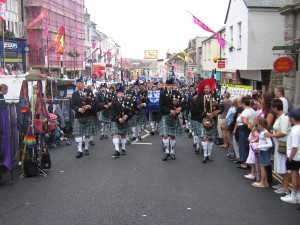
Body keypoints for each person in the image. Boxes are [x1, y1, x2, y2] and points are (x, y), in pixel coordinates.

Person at [71, 79, 104, 159]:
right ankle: (79, 150)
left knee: (87, 134)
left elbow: (95, 103)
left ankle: (86, 148)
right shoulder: (74, 94)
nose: (80, 85)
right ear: (77, 85)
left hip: (88, 115)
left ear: (83, 84)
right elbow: (73, 105)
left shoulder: (89, 92)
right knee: (78, 133)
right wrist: (79, 109)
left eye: (81, 83)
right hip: (79, 116)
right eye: (78, 84)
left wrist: (89, 106)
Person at [265, 99, 291, 194]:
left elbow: (283, 132)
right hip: (279, 143)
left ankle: (285, 187)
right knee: (280, 164)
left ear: (276, 108)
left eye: (272, 107)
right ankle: (283, 184)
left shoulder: (284, 117)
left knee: (284, 165)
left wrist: (271, 135)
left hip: (283, 144)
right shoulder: (280, 116)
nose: (272, 109)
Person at [195, 78, 222, 163]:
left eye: (208, 88)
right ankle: (205, 155)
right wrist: (206, 114)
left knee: (211, 139)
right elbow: (197, 109)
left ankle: (209, 154)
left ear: (211, 89)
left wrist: (219, 110)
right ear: (203, 90)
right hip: (202, 120)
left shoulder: (215, 98)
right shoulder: (200, 98)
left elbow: (221, 107)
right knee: (204, 138)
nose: (207, 90)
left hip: (212, 121)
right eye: (205, 88)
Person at [160, 79, 184, 161]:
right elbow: (161, 106)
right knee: (165, 135)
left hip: (174, 117)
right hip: (166, 115)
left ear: (173, 85)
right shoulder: (163, 94)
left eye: (171, 85)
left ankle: (172, 152)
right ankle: (167, 152)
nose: (170, 86)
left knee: (173, 135)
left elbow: (182, 103)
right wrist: (169, 110)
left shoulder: (176, 93)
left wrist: (180, 108)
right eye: (168, 85)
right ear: (166, 85)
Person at [280, 107, 300, 204]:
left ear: (292, 119)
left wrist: (290, 158)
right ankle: (296, 196)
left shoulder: (295, 130)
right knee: (297, 176)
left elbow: (295, 147)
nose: (288, 118)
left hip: (295, 157)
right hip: (297, 156)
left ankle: (293, 196)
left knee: (294, 176)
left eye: (289, 117)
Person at [110, 87, 135, 158]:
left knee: (123, 134)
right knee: (115, 134)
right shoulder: (114, 101)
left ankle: (123, 149)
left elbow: (132, 110)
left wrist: (127, 115)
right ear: (116, 94)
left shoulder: (127, 101)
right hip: (115, 120)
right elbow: (112, 111)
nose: (120, 94)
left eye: (121, 93)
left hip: (125, 120)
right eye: (118, 93)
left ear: (123, 94)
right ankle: (117, 150)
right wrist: (118, 118)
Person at [234, 96, 256, 169]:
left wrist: (248, 125)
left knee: (243, 145)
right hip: (251, 129)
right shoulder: (253, 110)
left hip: (243, 129)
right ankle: (249, 162)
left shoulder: (245, 111)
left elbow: (244, 121)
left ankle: (244, 163)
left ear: (243, 103)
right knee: (248, 145)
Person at [252, 117, 273, 188]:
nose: (257, 126)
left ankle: (262, 183)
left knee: (262, 168)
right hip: (263, 151)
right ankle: (265, 182)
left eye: (258, 125)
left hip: (264, 152)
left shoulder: (265, 133)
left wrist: (260, 147)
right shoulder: (263, 132)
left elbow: (270, 144)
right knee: (263, 167)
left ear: (261, 125)